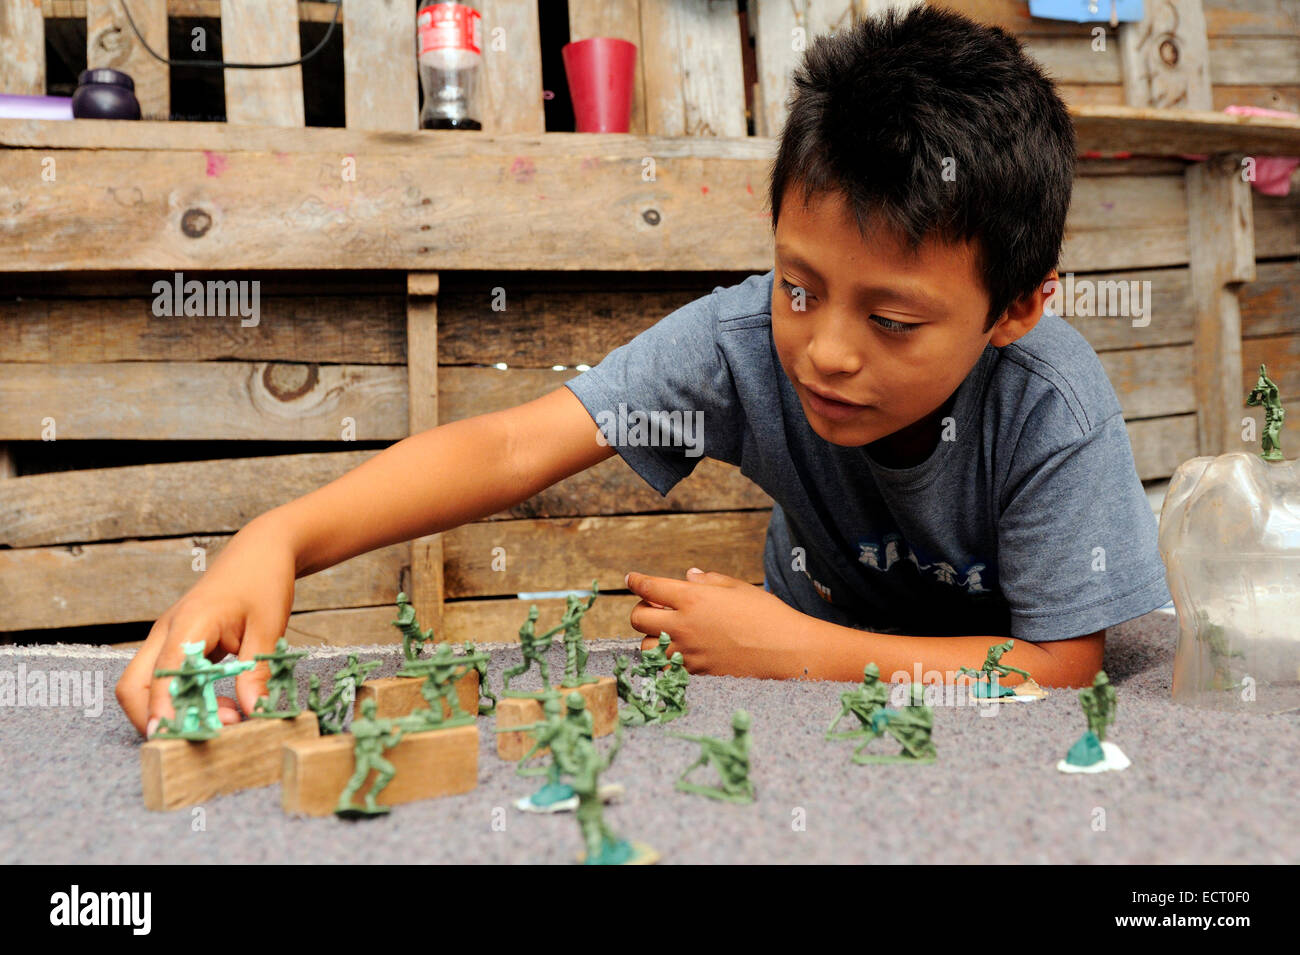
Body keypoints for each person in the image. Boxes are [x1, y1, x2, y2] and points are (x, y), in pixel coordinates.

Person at [116, 6, 1170, 736]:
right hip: (800, 696)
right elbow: (514, 442)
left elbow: (1058, 671)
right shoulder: (740, 341)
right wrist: (278, 539)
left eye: (892, 318)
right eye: (798, 286)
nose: (826, 349)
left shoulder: (1050, 408)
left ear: (1018, 307)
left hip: (929, 700)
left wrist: (798, 647)